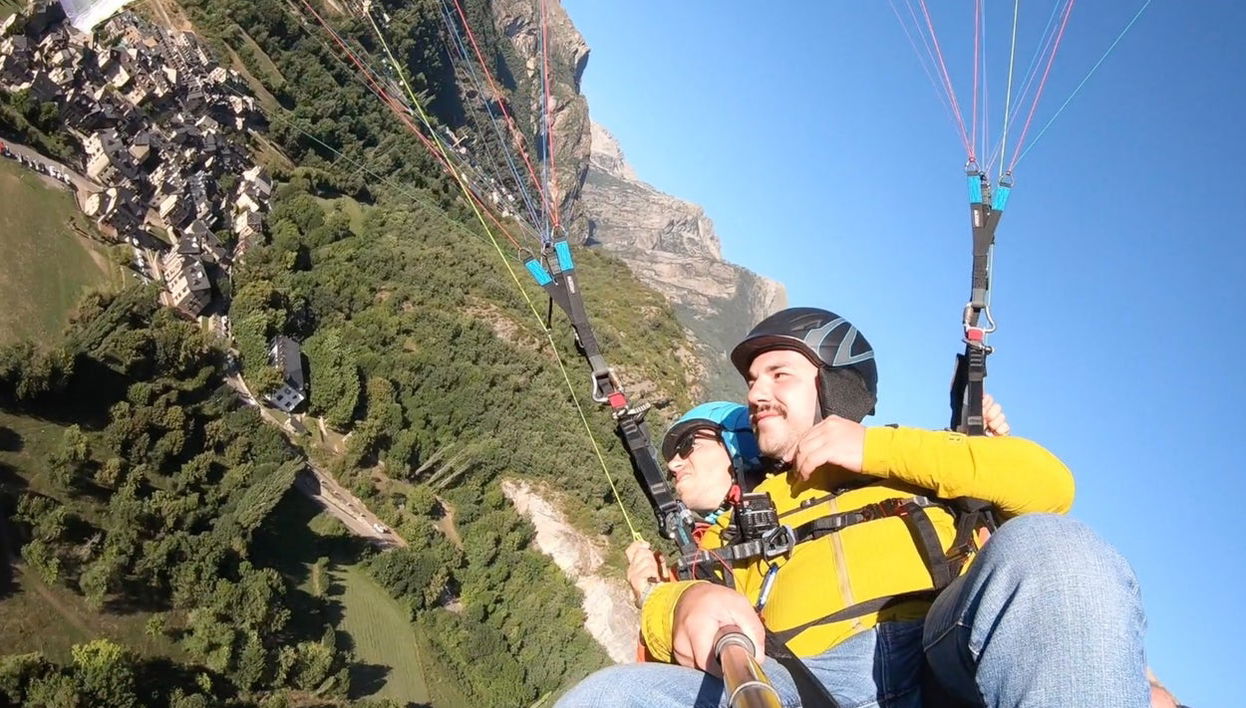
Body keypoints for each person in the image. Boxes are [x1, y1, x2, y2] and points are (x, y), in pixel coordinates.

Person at [558, 307, 1149, 707]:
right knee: (612, 696)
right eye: (752, 382)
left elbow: (1050, 488)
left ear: (832, 387)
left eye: (778, 374)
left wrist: (873, 448)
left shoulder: (909, 462)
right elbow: (678, 614)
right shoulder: (746, 515)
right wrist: (680, 601)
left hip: (941, 656)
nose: (757, 392)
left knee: (1057, 552)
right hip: (802, 682)